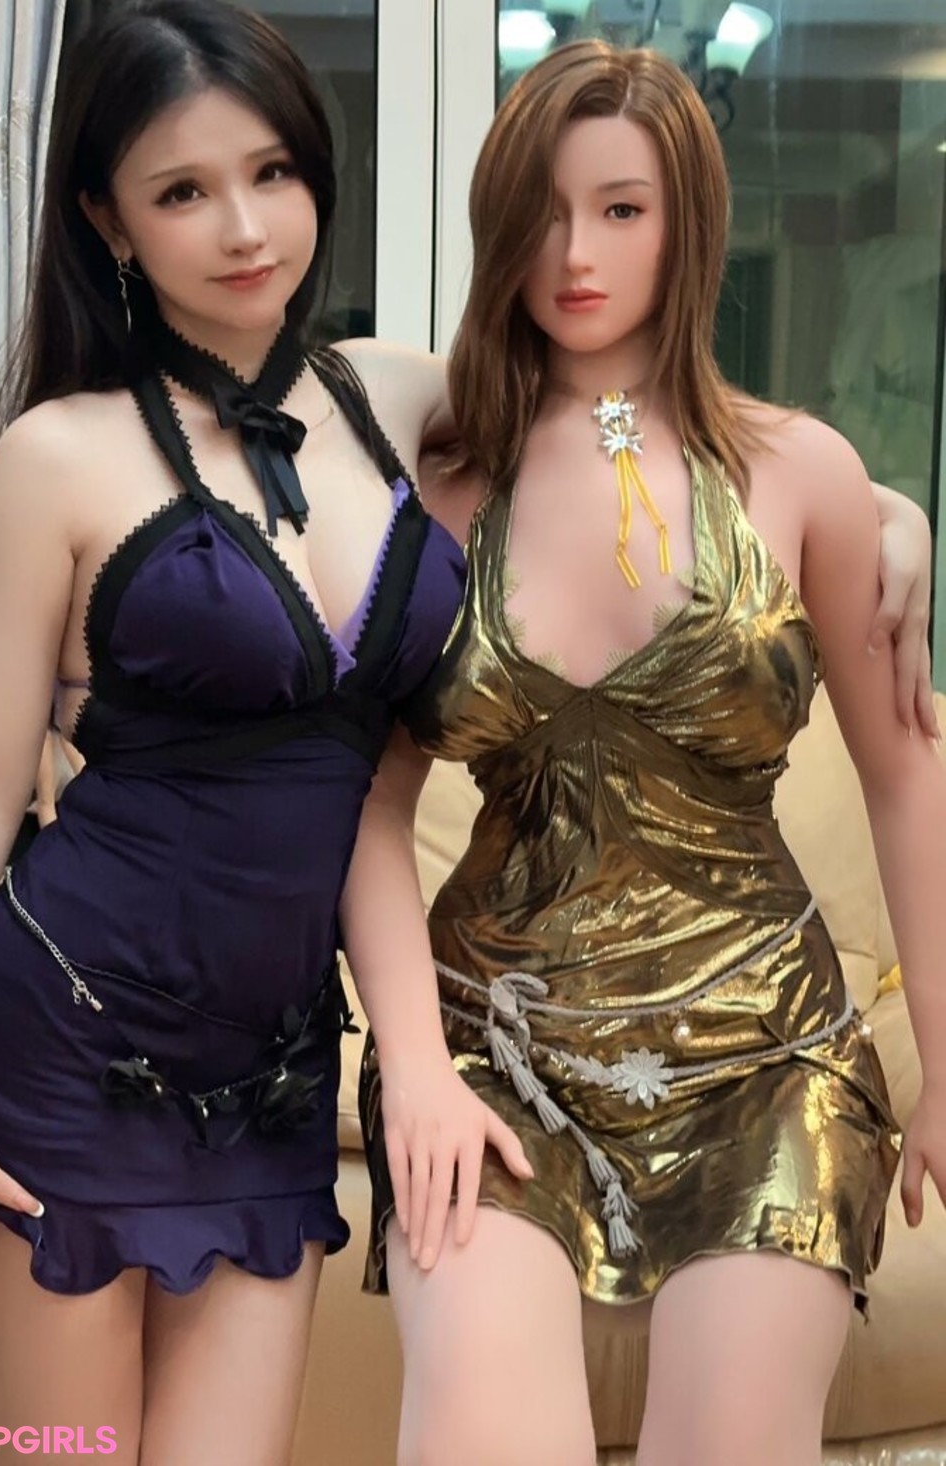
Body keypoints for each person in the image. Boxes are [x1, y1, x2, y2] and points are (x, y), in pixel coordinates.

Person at [0, 4, 529, 1462]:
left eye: (272, 171)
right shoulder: (59, 454)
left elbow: (629, 414)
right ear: (107, 216)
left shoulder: (398, 399)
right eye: (182, 189)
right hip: (58, 1055)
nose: (244, 226)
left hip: (273, 1078)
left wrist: (879, 514)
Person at [354, 41, 946, 1466]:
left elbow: (905, 775)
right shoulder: (432, 478)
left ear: (690, 222)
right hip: (495, 1043)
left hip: (765, 1052)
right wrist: (413, 1064)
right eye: (543, 212)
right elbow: (367, 808)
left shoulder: (804, 475)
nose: (575, 254)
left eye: (621, 209)